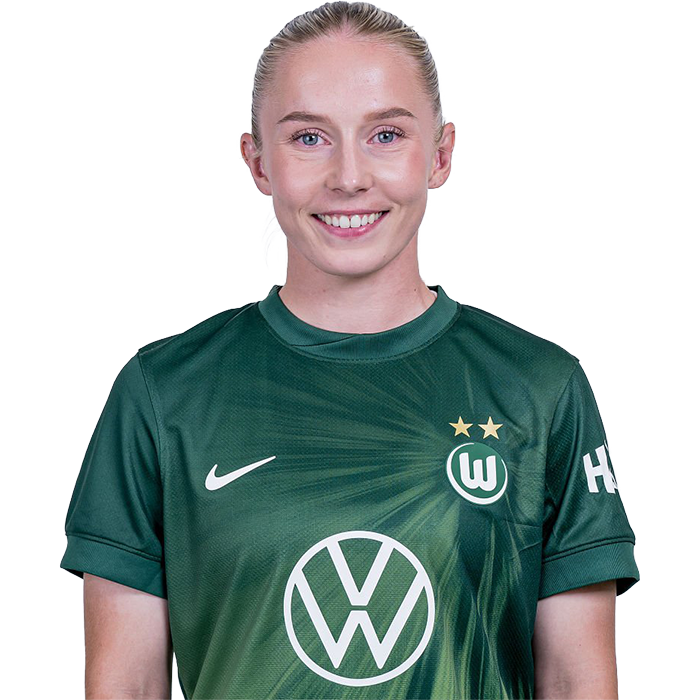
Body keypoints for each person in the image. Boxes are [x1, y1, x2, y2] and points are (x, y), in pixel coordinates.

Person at [60, 2, 640, 699]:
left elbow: (577, 682)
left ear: (440, 155)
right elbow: (124, 687)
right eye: (308, 138)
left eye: (386, 134)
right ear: (258, 162)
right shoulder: (163, 394)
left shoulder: (539, 389)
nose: (349, 176)